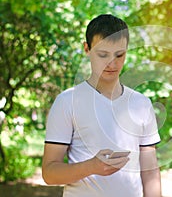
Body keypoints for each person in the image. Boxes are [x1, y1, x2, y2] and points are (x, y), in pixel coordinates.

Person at [42, 14, 162, 197]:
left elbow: (150, 172)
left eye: (119, 55)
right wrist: (91, 167)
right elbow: (49, 174)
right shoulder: (67, 102)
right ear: (87, 49)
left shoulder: (141, 104)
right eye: (103, 54)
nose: (112, 64)